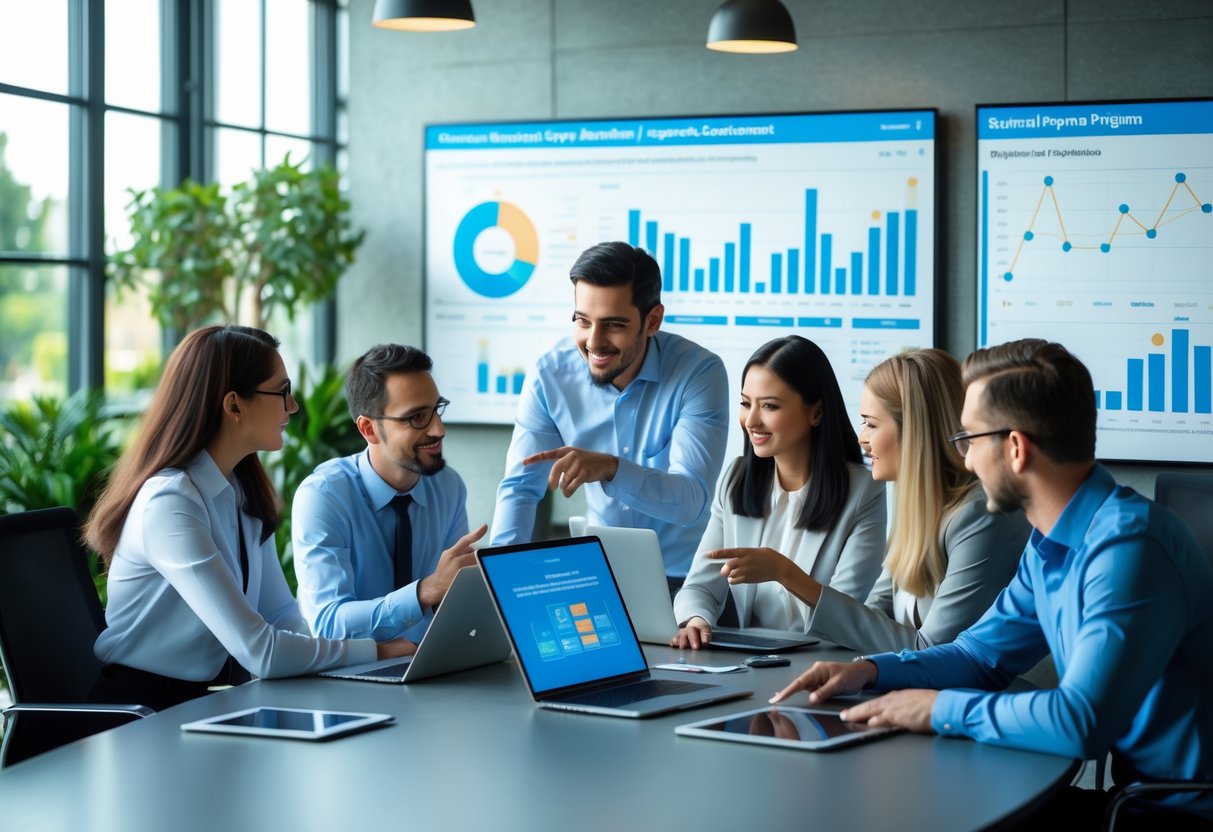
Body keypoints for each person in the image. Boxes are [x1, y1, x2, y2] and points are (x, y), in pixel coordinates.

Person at [771, 339, 1213, 827]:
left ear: (1016, 448)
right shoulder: (1051, 543)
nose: (965, 461)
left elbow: (1080, 723)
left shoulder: (1130, 548)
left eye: (970, 440)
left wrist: (940, 708)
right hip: (1132, 801)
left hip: (1170, 813)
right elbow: (978, 657)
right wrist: (871, 672)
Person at [85, 326, 413, 712]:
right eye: (282, 392)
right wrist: (378, 652)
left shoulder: (240, 488)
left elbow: (280, 615)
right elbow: (260, 651)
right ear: (234, 405)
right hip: (136, 716)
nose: (292, 407)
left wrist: (350, 665)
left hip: (198, 705)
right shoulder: (170, 503)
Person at [491, 241, 729, 588]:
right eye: (582, 321)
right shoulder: (549, 376)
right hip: (601, 576)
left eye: (613, 325)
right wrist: (501, 579)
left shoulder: (698, 373)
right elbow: (521, 488)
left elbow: (690, 501)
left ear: (653, 320)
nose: (594, 341)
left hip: (690, 583)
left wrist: (612, 469)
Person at [806, 348, 1028, 653]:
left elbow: (934, 648)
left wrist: (793, 579)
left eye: (870, 423)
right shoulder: (920, 504)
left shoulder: (979, 515)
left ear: (914, 430)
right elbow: (874, 612)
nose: (861, 438)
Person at [671, 335, 886, 648]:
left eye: (769, 406)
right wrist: (697, 620)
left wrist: (782, 571)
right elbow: (700, 586)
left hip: (821, 658)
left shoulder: (863, 492)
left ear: (816, 412)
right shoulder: (736, 479)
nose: (752, 420)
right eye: (746, 404)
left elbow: (847, 612)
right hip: (748, 659)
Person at [292, 344, 485, 642]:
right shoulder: (323, 497)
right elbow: (328, 623)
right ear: (369, 429)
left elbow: (453, 601)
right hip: (344, 676)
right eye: (416, 417)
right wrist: (427, 590)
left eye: (437, 409)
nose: (438, 429)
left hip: (425, 665)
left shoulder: (449, 487)